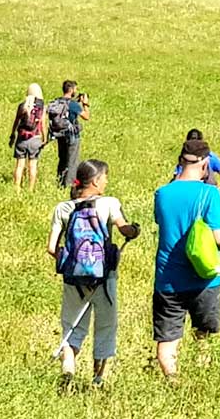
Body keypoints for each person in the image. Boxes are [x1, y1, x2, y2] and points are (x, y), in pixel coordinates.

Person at [48, 160, 140, 389]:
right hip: (103, 277)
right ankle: (98, 379)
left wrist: (72, 262)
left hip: (73, 279)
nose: (107, 182)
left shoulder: (63, 208)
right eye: (105, 177)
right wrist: (134, 230)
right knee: (106, 327)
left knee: (72, 327)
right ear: (96, 180)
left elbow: (51, 248)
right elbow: (123, 228)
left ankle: (68, 366)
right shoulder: (109, 203)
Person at [152, 141, 220, 381]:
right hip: (204, 278)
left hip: (168, 279)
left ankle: (173, 382)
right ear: (206, 164)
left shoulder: (162, 193)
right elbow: (219, 238)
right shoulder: (210, 193)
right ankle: (201, 378)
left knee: (167, 341)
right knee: (203, 336)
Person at [49, 81, 89, 188]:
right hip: (72, 136)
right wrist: (85, 104)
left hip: (60, 135)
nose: (76, 91)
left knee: (62, 159)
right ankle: (69, 184)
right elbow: (86, 116)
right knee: (72, 161)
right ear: (71, 90)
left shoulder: (57, 102)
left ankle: (60, 181)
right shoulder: (73, 104)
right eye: (75, 89)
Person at [10, 84, 47, 192]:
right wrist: (44, 138)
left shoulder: (22, 106)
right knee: (33, 165)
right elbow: (42, 124)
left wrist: (12, 134)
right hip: (35, 138)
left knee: (19, 165)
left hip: (22, 138)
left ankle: (17, 188)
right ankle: (30, 189)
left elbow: (16, 121)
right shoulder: (42, 107)